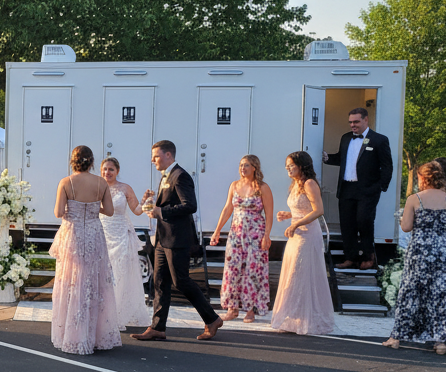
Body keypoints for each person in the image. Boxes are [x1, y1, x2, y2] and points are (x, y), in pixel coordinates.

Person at [132, 140, 222, 342]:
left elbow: (190, 206)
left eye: (156, 156)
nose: (152, 160)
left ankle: (212, 318)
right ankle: (157, 327)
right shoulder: (167, 175)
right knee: (159, 282)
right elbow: (166, 206)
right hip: (163, 239)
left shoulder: (180, 176)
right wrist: (152, 208)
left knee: (180, 281)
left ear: (168, 156)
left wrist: (162, 211)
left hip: (177, 239)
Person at [385, 161, 446, 354]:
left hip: (420, 249)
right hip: (445, 250)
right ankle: (441, 341)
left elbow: (406, 227)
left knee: (412, 291)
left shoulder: (415, 199)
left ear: (422, 178)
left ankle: (396, 337)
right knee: (443, 293)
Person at [49, 145, 121, 354]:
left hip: (72, 234)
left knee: (71, 280)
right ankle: (94, 335)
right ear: (91, 162)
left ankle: (72, 334)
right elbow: (108, 211)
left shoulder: (66, 182)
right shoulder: (101, 183)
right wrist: (91, 207)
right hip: (93, 233)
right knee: (94, 281)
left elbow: (58, 212)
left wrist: (75, 207)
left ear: (73, 161)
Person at [269, 152, 335, 335]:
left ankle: (306, 319)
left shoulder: (309, 183)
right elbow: (303, 209)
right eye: (286, 166)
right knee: (292, 274)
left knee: (301, 274)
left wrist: (296, 223)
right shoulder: (296, 184)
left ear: (301, 166)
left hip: (307, 235)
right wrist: (289, 215)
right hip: (296, 234)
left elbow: (318, 210)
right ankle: (293, 318)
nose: (288, 169)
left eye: (291, 165)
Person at [322, 107, 393, 270]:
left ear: (366, 120)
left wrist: (381, 186)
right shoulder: (346, 138)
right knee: (347, 224)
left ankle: (369, 256)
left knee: (364, 222)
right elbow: (342, 158)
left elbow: (387, 165)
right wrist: (327, 158)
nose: (352, 125)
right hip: (347, 188)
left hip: (368, 190)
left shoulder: (379, 140)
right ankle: (351, 257)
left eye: (356, 122)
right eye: (350, 122)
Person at [209, 155, 274, 323]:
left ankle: (250, 309)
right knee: (233, 268)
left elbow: (269, 214)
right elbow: (227, 208)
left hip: (255, 234)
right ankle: (232, 308)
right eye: (241, 165)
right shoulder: (234, 185)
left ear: (254, 168)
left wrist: (267, 235)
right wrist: (217, 231)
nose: (242, 168)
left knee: (252, 269)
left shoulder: (262, 187)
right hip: (236, 234)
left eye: (246, 165)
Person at [99, 157, 153, 329]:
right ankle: (103, 313)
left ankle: (118, 314)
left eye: (111, 169)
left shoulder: (124, 188)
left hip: (121, 235)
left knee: (120, 274)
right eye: (105, 169)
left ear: (117, 171)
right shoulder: (97, 187)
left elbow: (137, 211)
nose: (107, 172)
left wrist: (144, 201)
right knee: (104, 274)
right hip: (102, 234)